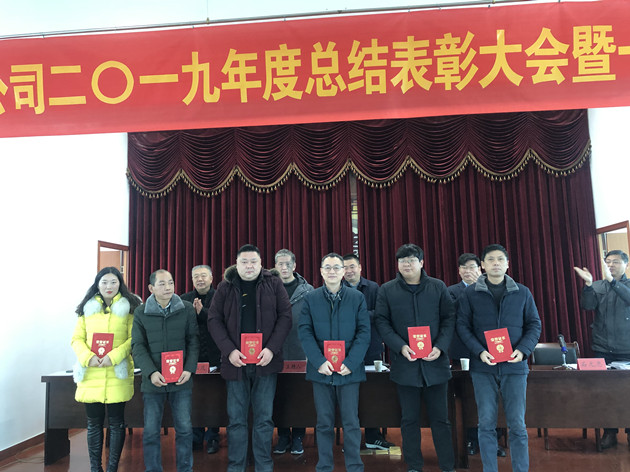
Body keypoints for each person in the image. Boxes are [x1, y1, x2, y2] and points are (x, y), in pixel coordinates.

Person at [457, 244, 541, 472]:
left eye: (500, 259)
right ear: (483, 265)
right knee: (486, 423)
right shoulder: (470, 293)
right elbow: (462, 326)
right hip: (483, 366)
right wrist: (479, 351)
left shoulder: (522, 292)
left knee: (517, 425)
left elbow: (534, 324)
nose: (496, 263)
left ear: (507, 264)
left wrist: (522, 350)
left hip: (515, 366)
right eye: (491, 259)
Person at [208, 244, 292, 472]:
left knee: (264, 419)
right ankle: (236, 466)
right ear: (236, 264)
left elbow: (285, 317)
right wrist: (229, 351)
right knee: (236, 420)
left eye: (253, 262)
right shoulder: (225, 286)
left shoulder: (274, 284)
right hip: (236, 363)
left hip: (266, 362)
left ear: (261, 263)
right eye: (244, 262)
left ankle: (264, 466)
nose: (249, 266)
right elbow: (214, 320)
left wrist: (271, 349)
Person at [375, 244, 456, 472]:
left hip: (436, 364)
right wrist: (400, 347)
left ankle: (447, 466)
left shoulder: (438, 287)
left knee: (441, 419)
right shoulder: (387, 290)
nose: (406, 265)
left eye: (411, 260)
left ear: (421, 262)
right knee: (409, 419)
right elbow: (381, 321)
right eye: (402, 261)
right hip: (405, 365)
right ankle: (414, 465)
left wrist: (440, 347)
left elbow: (449, 318)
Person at [299, 252, 371, 472]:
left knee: (351, 422)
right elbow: (305, 332)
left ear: (343, 271)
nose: (332, 271)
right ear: (321, 272)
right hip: (321, 370)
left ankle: (354, 466)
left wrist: (352, 362)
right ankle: (324, 466)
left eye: (336, 267)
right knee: (323, 423)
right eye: (327, 268)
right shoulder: (310, 298)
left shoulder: (357, 298)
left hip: (349, 370)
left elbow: (364, 332)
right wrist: (319, 361)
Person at [71, 267, 140, 472]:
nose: (109, 286)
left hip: (117, 372)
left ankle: (112, 468)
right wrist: (88, 357)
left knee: (117, 423)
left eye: (113, 282)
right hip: (91, 372)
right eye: (104, 282)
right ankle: (95, 468)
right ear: (97, 284)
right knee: (93, 424)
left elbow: (134, 338)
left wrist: (114, 356)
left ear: (120, 284)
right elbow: (76, 339)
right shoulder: (87, 308)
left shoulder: (130, 307)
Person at [131, 269, 200, 472]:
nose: (168, 287)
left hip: (181, 380)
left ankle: (185, 469)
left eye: (170, 282)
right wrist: (151, 372)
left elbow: (194, 341)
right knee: (151, 431)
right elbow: (138, 346)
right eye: (162, 284)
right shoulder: (141, 312)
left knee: (185, 429)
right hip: (153, 381)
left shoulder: (186, 308)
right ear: (151, 288)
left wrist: (189, 369)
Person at [448, 253, 505, 458]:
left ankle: (494, 439)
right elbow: (452, 315)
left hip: (489, 351)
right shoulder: (451, 291)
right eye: (464, 267)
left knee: (493, 397)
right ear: (459, 271)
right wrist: (470, 290)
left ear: (480, 269)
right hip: (463, 351)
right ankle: (471, 439)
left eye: (472, 267)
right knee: (469, 398)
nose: (468, 271)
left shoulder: (491, 287)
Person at [574, 249, 630, 449]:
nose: (611, 265)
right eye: (608, 262)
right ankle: (610, 433)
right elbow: (587, 306)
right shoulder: (598, 285)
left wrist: (613, 282)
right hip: (603, 347)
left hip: (627, 348)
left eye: (616, 261)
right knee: (605, 393)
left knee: (627, 392)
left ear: (626, 264)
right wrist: (589, 285)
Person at [342, 253, 394, 451]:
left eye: (352, 266)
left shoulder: (373, 288)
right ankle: (350, 439)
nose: (349, 271)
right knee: (348, 396)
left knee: (372, 394)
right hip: (345, 352)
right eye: (345, 267)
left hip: (371, 348)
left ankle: (373, 436)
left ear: (360, 267)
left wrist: (355, 315)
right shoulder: (338, 287)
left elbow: (380, 314)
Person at [272, 249, 314, 455]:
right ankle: (282, 436)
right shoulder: (269, 288)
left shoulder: (308, 290)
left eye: (287, 263)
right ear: (275, 266)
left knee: (299, 394)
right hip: (275, 350)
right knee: (279, 394)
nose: (284, 267)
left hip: (300, 349)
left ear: (294, 266)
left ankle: (298, 436)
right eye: (280, 264)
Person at [181, 264, 222, 454]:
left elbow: (222, 322)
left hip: (215, 357)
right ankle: (195, 437)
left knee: (213, 399)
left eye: (204, 275)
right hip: (193, 358)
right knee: (195, 399)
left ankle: (213, 437)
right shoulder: (184, 299)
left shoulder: (220, 297)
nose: (200, 279)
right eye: (196, 276)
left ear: (211, 278)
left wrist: (202, 312)